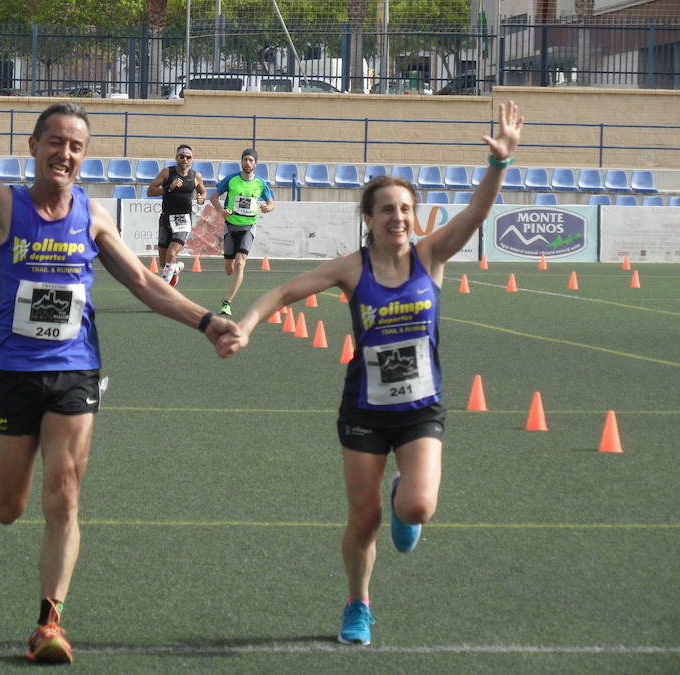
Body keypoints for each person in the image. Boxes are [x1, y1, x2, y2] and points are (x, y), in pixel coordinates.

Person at [0, 47, 240, 664]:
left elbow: (145, 283)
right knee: (9, 510)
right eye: (55, 142)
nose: (65, 154)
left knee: (63, 494)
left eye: (76, 146)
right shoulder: (0, 204)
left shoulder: (92, 216)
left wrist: (205, 320)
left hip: (73, 372)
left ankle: (50, 621)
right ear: (34, 147)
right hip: (10, 373)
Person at [219, 102, 524, 646]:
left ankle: (403, 501)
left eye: (405, 208)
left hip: (420, 409)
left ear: (415, 214)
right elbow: (285, 290)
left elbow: (476, 216)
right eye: (386, 210)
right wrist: (245, 324)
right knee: (362, 520)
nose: (398, 218)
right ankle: (358, 603)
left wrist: (497, 164)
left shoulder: (430, 256)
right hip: (364, 410)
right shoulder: (351, 269)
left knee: (417, 505)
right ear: (370, 218)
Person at [209, 148, 275, 315]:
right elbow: (213, 197)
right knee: (229, 269)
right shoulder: (231, 180)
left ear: (256, 164)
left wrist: (268, 207)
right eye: (245, 159)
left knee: (240, 263)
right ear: (241, 161)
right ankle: (230, 286)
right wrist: (221, 211)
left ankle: (227, 303)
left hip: (248, 227)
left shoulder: (260, 183)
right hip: (231, 226)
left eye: (251, 160)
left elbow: (271, 202)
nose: (248, 163)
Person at [146, 144, 207, 287]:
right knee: (164, 262)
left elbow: (203, 192)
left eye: (188, 157)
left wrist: (202, 198)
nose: (185, 159)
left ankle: (163, 290)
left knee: (172, 254)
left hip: (183, 219)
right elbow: (150, 191)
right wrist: (169, 187)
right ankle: (176, 268)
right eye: (182, 156)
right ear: (176, 158)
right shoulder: (167, 173)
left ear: (191, 159)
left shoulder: (195, 176)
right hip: (166, 218)